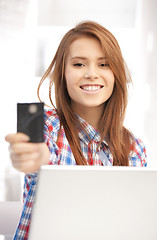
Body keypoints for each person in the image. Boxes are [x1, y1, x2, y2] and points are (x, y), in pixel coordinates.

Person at [5, 21, 147, 239]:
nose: (91, 74)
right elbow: (38, 155)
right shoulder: (45, 124)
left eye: (104, 64)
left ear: (116, 74)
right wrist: (32, 157)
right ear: (63, 73)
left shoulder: (134, 147)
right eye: (79, 64)